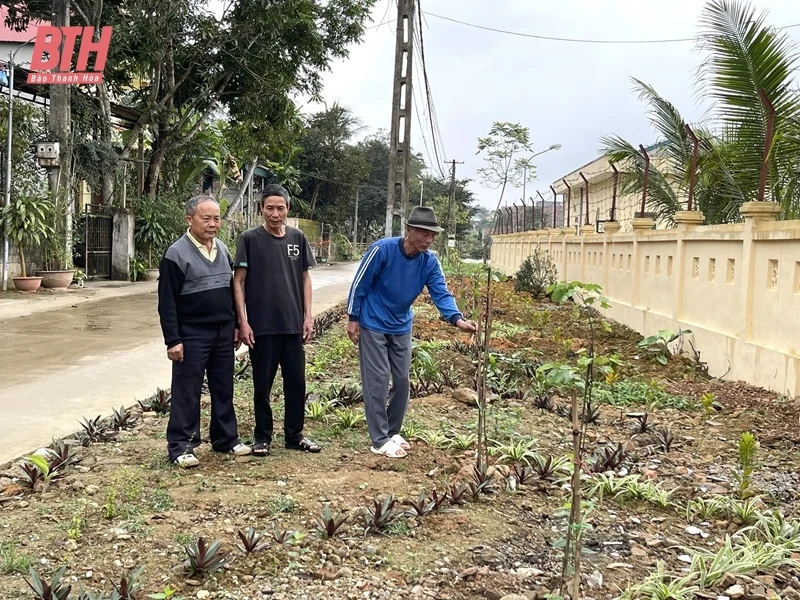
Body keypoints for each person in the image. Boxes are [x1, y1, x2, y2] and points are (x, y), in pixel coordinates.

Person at [346, 206, 478, 458]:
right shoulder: (382, 250)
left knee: (402, 380)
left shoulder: (429, 262)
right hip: (373, 322)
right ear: (408, 230)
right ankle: (379, 439)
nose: (429, 240)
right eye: (424, 233)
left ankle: (392, 431)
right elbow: (359, 284)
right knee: (378, 379)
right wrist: (353, 318)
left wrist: (458, 320)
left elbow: (441, 292)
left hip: (401, 325)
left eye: (433, 235)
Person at [157, 194, 251, 467]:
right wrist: (173, 340)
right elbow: (167, 301)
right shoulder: (176, 254)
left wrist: (236, 325)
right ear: (190, 220)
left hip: (223, 332)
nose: (213, 224)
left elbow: (231, 290)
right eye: (206, 218)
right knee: (187, 390)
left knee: (223, 387)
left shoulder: (222, 248)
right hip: (192, 333)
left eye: (217, 219)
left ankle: (226, 439)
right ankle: (181, 446)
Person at [233, 184, 322, 457]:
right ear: (261, 209)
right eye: (269, 208)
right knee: (262, 384)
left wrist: (307, 315)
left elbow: (305, 278)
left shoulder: (297, 237)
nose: (275, 214)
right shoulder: (249, 239)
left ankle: (294, 436)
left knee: (296, 383)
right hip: (262, 328)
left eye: (280, 208)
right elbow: (238, 281)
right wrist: (243, 322)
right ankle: (262, 437)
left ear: (288, 209)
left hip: (293, 326)